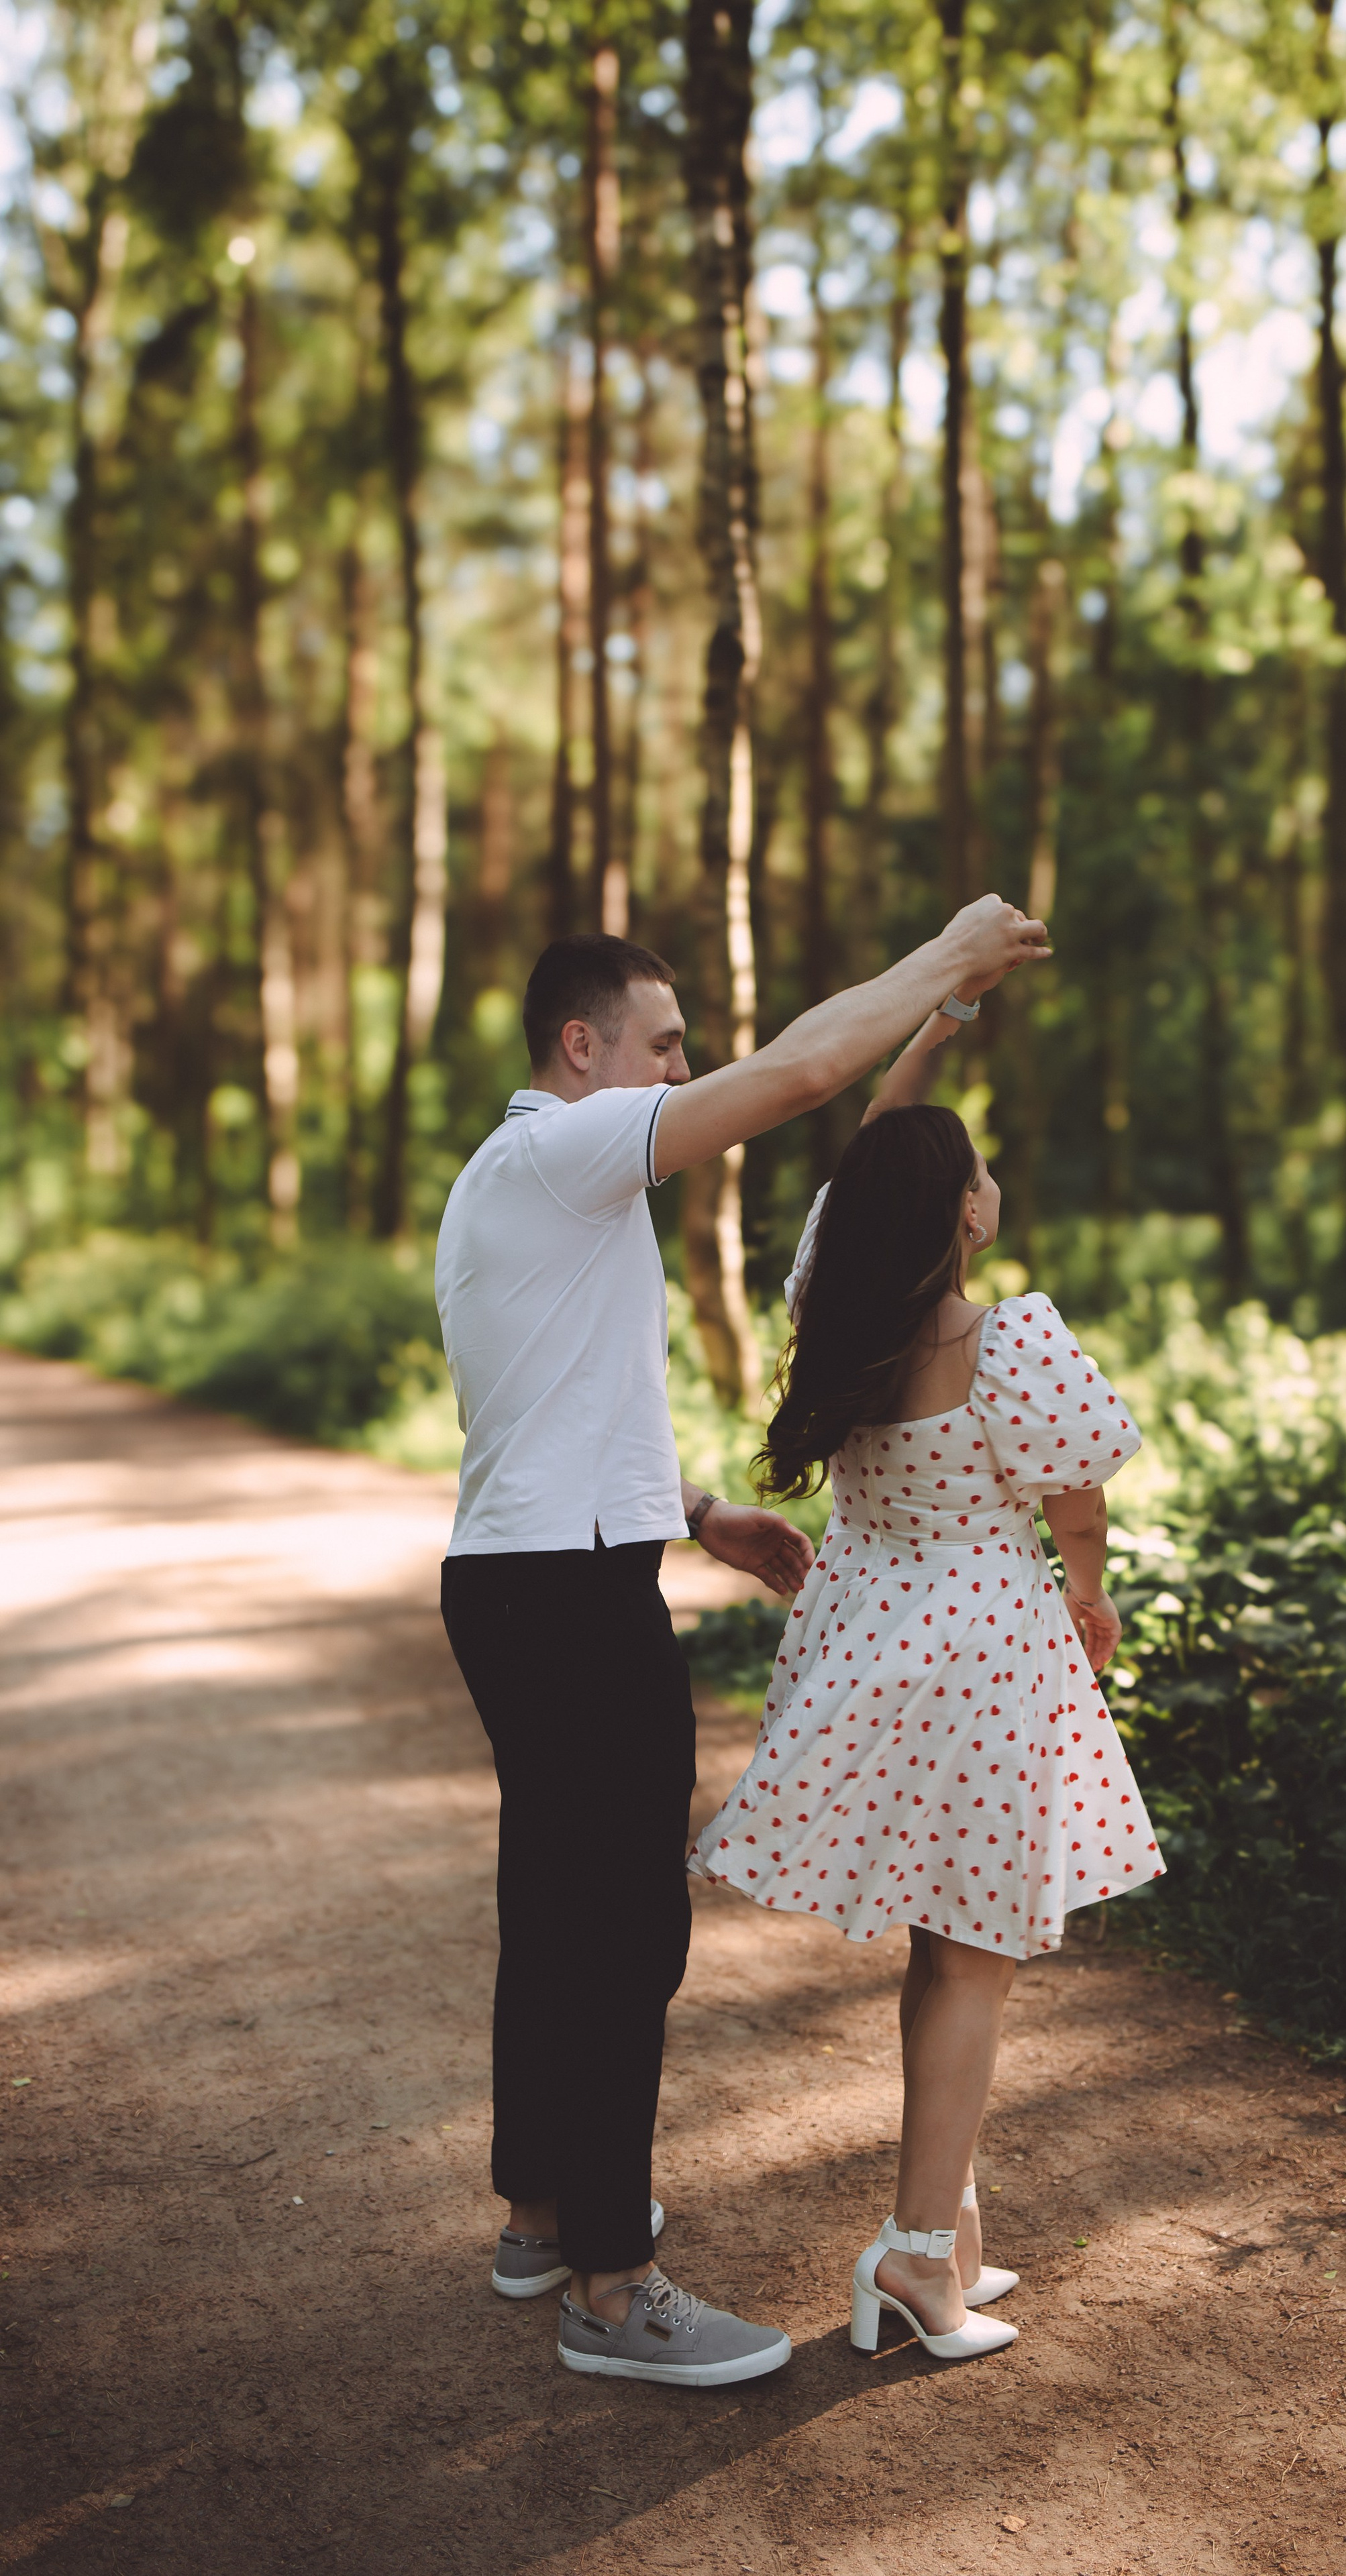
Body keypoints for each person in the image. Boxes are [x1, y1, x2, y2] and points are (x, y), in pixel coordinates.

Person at [435, 898, 1048, 2391]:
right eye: (662, 1047)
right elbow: (797, 1077)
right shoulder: (569, 1146)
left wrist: (695, 1511)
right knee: (621, 1931)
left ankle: (544, 2217)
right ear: (580, 1049)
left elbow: (550, 1403)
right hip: (566, 1600)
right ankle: (613, 2288)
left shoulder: (533, 1181)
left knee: (556, 1909)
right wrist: (945, 966)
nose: (683, 1072)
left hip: (535, 1572)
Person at [690, 991, 1165, 2364]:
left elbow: (860, 1183)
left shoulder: (834, 1314)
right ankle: (910, 2257)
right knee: (975, 1957)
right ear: (965, 1211)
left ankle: (943, 2225)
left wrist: (926, 1045)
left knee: (945, 1946)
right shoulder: (1005, 1341)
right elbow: (1075, 1494)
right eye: (979, 1170)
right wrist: (1087, 1592)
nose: (989, 1181)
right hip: (983, 1656)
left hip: (869, 1638)